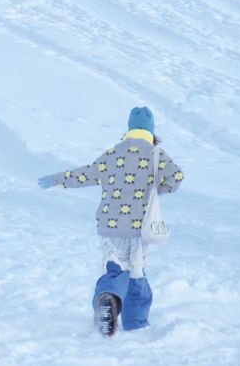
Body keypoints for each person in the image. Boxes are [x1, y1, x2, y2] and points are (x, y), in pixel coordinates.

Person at [38, 106, 184, 335]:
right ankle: (136, 323)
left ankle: (108, 299)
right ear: (151, 132)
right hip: (139, 227)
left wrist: (57, 179)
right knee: (137, 271)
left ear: (129, 129)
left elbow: (87, 173)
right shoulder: (156, 155)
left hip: (111, 226)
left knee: (115, 268)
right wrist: (158, 190)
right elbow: (176, 177)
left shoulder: (113, 153)